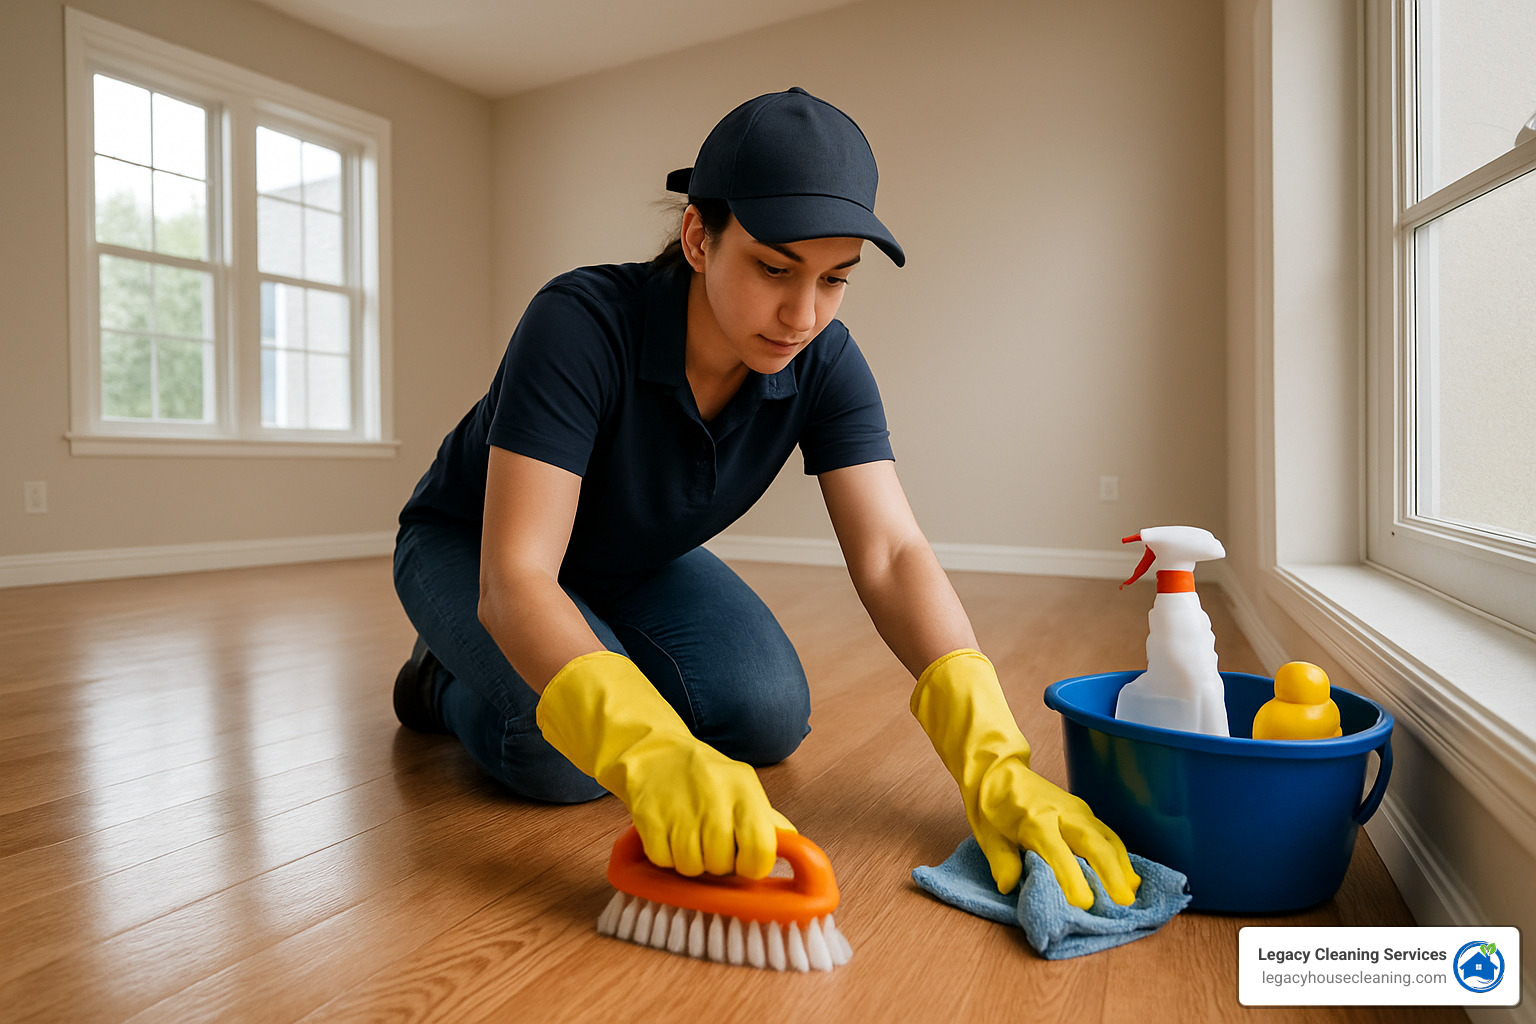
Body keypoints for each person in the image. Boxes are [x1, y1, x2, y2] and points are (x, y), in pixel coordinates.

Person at [392, 87, 1140, 909]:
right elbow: (520, 578)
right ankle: (439, 676)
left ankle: (585, 650)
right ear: (699, 237)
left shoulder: (824, 362)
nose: (802, 314)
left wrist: (995, 761)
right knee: (560, 757)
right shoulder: (579, 323)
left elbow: (891, 554)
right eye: (775, 268)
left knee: (766, 717)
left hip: (633, 560)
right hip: (477, 551)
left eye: (835, 280)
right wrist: (651, 746)